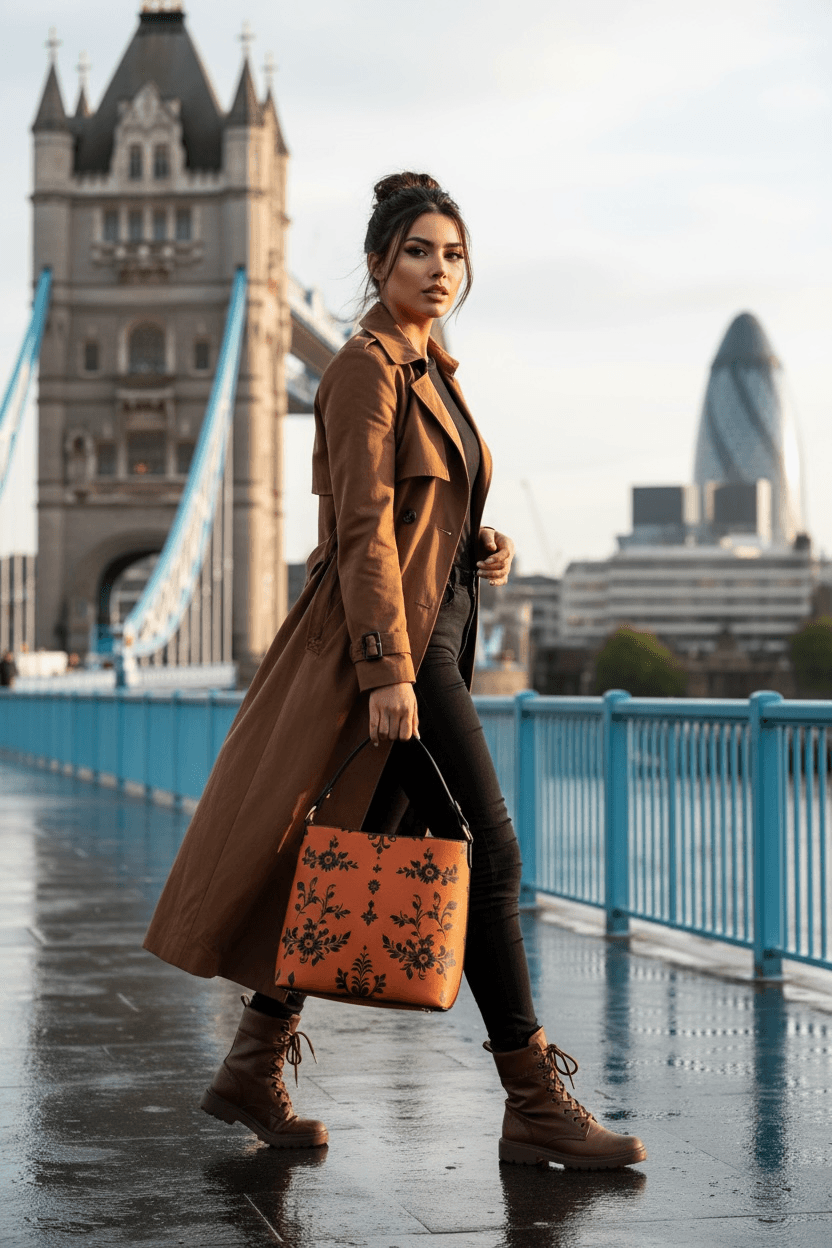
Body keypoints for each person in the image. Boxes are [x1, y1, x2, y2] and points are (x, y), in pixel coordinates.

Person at [144, 172, 646, 1171]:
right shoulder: (365, 367)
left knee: (351, 845)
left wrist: (478, 543)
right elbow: (363, 528)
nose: (439, 269)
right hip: (402, 652)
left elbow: (419, 517)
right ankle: (533, 1096)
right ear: (378, 263)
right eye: (419, 251)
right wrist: (385, 672)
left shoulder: (433, 370)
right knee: (487, 855)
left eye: (454, 254)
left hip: (439, 631)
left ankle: (255, 1062)